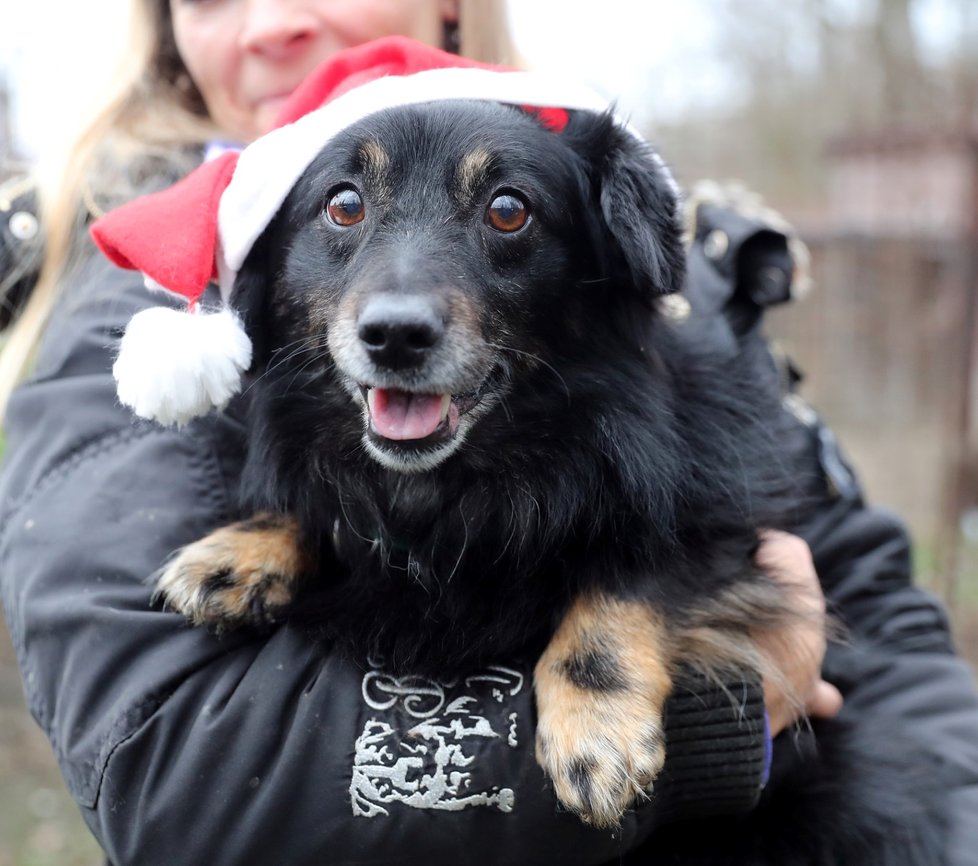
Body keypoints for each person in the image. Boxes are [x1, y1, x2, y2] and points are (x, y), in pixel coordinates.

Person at [0, 2, 974, 864]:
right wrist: (717, 715)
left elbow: (886, 633)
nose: (269, 21)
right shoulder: (130, 332)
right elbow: (176, 778)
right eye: (345, 207)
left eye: (504, 211)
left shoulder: (671, 278)